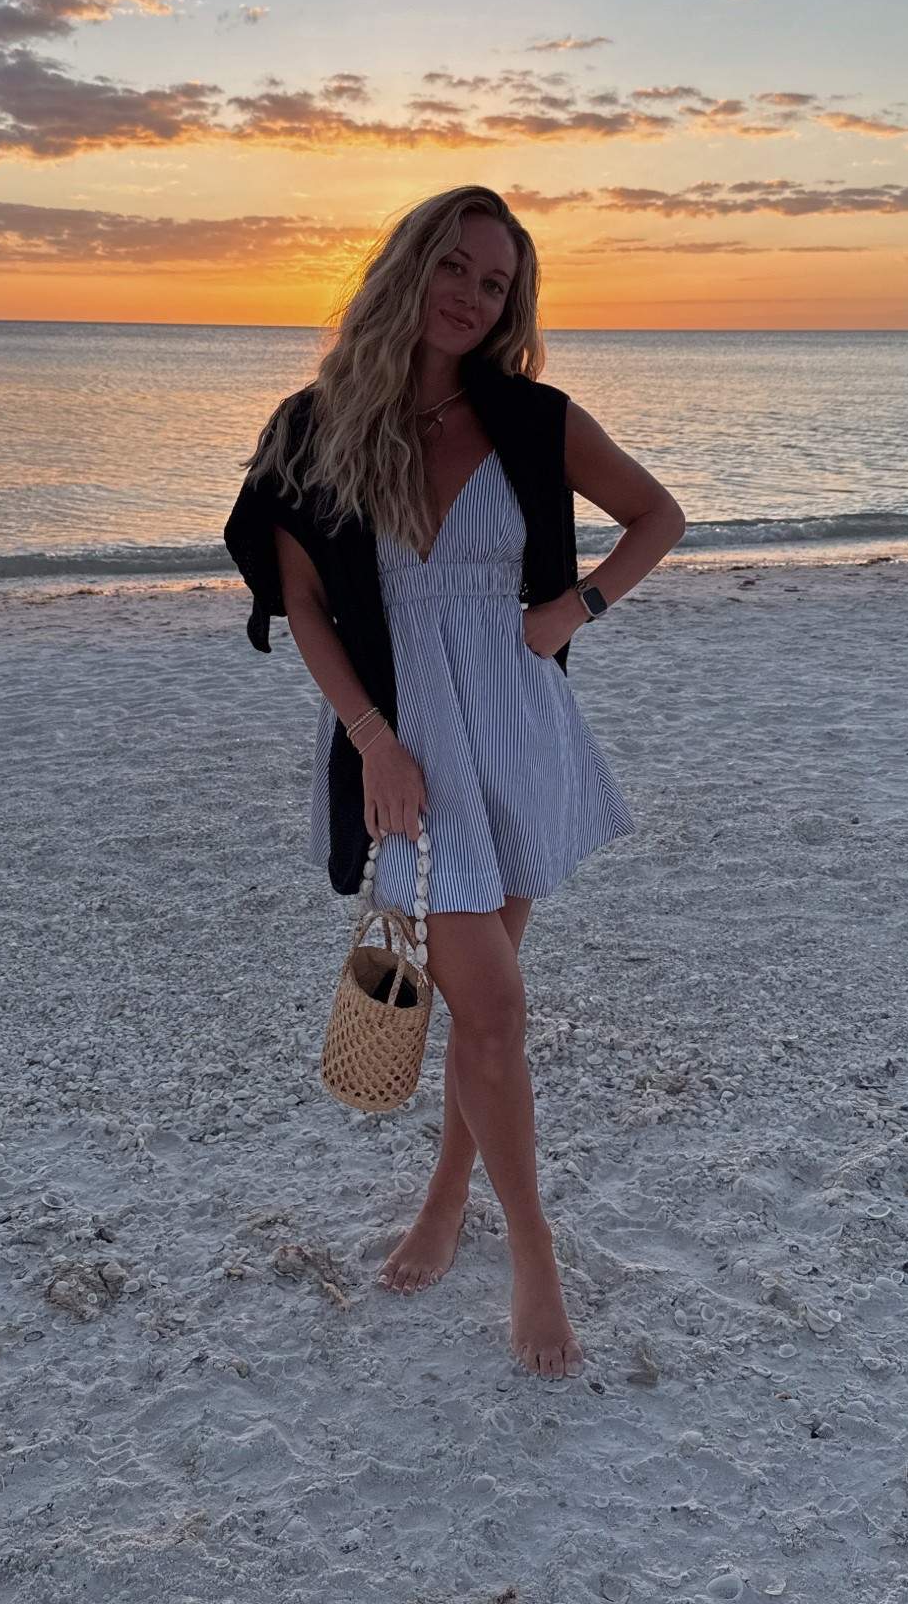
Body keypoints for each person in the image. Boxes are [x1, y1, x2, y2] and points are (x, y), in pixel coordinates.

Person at [226, 184, 685, 1380]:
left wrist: (567, 611)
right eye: (456, 265)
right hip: (415, 741)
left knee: (484, 1009)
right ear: (409, 265)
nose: (474, 295)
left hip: (520, 722)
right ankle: (533, 1248)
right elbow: (308, 607)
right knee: (494, 1005)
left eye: (498, 282)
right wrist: (374, 738)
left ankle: (450, 1199)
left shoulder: (531, 418)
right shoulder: (313, 426)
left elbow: (656, 514)